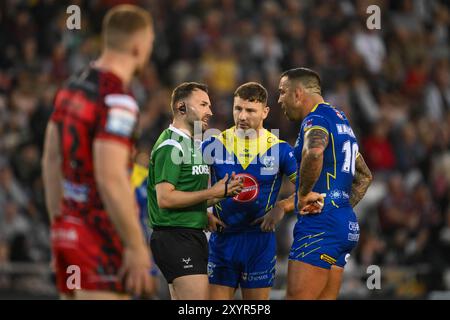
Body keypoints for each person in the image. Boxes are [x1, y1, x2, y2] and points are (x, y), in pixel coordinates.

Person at [42, 5, 155, 299]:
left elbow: (51, 161)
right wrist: (134, 244)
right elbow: (110, 176)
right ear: (138, 45)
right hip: (101, 237)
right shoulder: (118, 99)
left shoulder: (72, 87)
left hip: (69, 231)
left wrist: (60, 226)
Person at [277, 67, 373, 299]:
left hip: (319, 226)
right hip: (344, 224)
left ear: (298, 94)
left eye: (282, 92)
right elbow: (365, 176)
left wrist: (302, 195)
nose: (279, 99)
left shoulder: (316, 119)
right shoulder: (341, 120)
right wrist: (338, 206)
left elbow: (315, 152)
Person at [147, 82, 243, 300]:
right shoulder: (171, 145)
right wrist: (212, 193)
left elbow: (185, 195)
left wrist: (217, 198)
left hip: (190, 234)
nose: (209, 111)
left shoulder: (191, 144)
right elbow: (165, 198)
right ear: (181, 108)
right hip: (175, 237)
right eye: (202, 104)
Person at [201, 82, 297, 300]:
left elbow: (309, 190)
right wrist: (200, 212)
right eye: (238, 109)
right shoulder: (213, 144)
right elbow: (184, 186)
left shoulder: (280, 149)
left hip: (259, 242)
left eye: (250, 110)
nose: (242, 116)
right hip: (223, 239)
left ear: (265, 112)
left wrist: (283, 206)